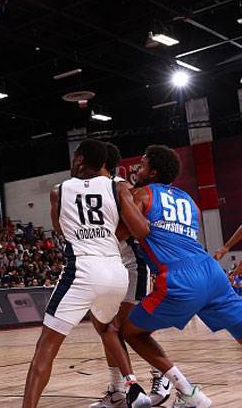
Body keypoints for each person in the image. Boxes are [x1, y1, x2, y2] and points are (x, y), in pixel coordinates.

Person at [22, 139, 152, 408]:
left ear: (80, 160)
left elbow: (60, 230)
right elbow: (142, 230)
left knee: (45, 348)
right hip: (116, 272)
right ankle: (130, 386)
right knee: (107, 328)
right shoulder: (118, 188)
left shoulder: (59, 191)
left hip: (82, 269)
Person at [119, 145, 242, 408]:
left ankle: (188, 392)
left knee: (131, 332)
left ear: (152, 172)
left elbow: (122, 234)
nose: (136, 169)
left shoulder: (142, 194)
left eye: (141, 165)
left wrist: (122, 199)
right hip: (211, 271)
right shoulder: (189, 201)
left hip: (179, 276)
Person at [90, 143, 171, 408]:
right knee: (107, 329)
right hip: (109, 264)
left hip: (131, 263)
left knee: (123, 329)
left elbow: (133, 229)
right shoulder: (89, 189)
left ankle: (163, 377)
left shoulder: (120, 186)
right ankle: (116, 391)